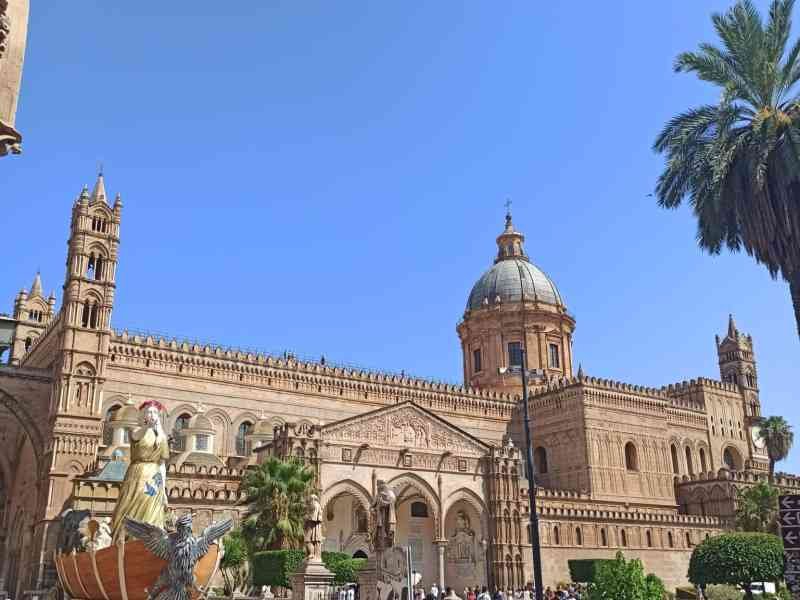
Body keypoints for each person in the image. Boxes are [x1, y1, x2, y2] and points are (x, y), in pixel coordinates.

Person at [110, 400, 170, 542]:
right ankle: (126, 540)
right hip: (138, 474)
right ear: (143, 414)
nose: (152, 415)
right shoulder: (136, 431)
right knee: (131, 508)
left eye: (155, 412)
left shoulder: (162, 437)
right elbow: (137, 437)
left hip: (154, 477)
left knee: (153, 512)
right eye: (149, 411)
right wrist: (146, 427)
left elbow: (162, 463)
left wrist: (164, 490)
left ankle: (152, 543)